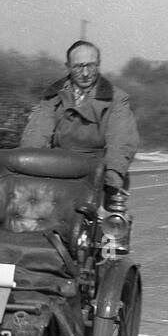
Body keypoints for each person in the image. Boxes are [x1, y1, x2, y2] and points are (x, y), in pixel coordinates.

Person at [20, 40, 140, 214]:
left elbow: (121, 141)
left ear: (98, 64)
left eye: (90, 66)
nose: (85, 73)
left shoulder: (117, 99)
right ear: (68, 66)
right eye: (78, 67)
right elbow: (37, 133)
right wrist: (28, 164)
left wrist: (111, 178)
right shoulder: (52, 96)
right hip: (59, 168)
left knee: (110, 227)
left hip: (99, 172)